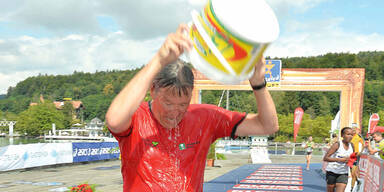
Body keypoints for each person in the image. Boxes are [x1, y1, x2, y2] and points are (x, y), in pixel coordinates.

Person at [105, 24, 279, 192]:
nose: (174, 112)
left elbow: (268, 126)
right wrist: (159, 60)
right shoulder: (136, 117)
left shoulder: (205, 118)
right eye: (168, 103)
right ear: (153, 90)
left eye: (183, 105)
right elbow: (114, 120)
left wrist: (258, 84)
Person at [323, 127, 354, 192]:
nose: (350, 136)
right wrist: (340, 160)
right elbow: (325, 158)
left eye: (352, 135)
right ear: (342, 135)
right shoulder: (337, 145)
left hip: (343, 173)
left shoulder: (352, 146)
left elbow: (351, 160)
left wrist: (353, 172)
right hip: (332, 172)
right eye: (348, 134)